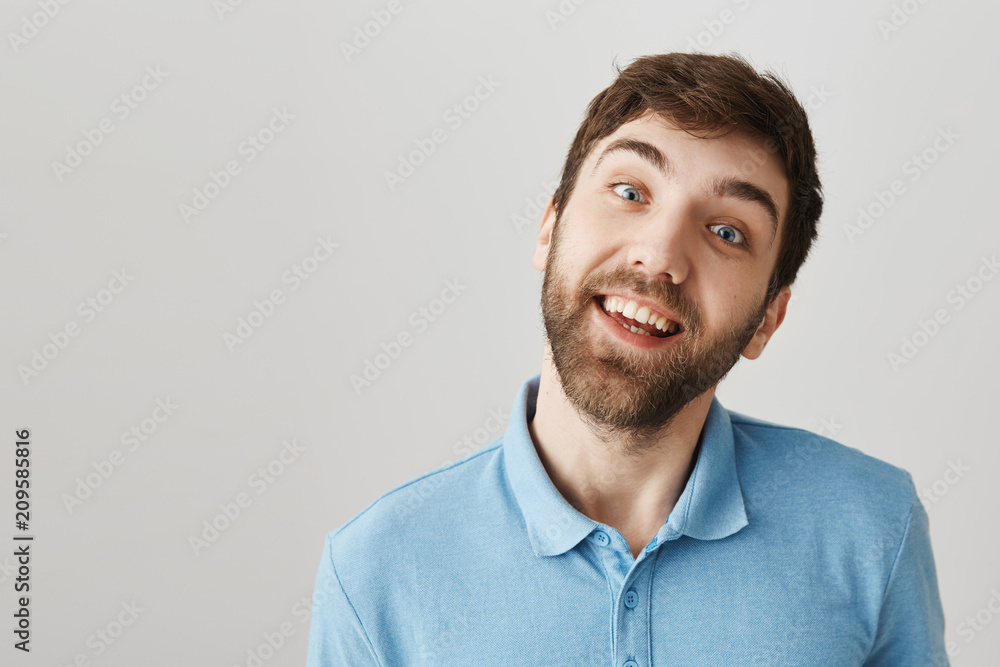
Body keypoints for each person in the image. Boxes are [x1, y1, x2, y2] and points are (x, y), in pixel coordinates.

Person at [306, 51, 948, 666]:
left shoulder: (873, 528)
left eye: (727, 232)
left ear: (766, 320)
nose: (660, 254)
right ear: (550, 229)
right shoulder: (375, 569)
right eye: (630, 191)